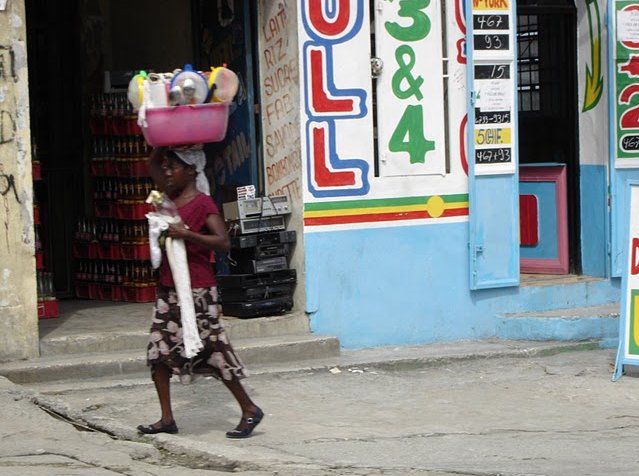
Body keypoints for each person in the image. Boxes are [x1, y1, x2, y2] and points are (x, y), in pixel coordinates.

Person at [137, 146, 263, 438]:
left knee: (214, 352)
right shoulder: (167, 198)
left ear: (191, 170)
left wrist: (187, 234)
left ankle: (249, 409)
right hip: (169, 289)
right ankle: (167, 418)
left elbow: (223, 242)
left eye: (174, 167)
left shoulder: (203, 203)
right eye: (167, 168)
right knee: (158, 352)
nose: (167, 172)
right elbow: (153, 162)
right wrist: (163, 136)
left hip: (199, 291)